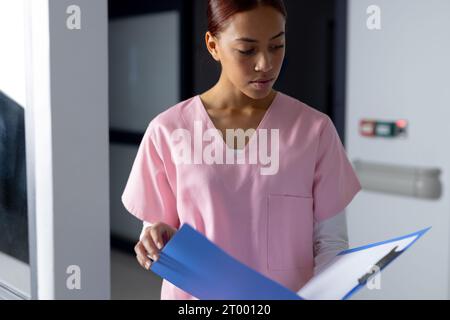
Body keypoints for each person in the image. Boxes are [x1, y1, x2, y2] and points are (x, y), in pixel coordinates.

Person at [121, 0, 361, 300]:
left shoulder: (315, 130)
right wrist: (154, 240)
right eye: (247, 50)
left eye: (277, 46)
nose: (266, 64)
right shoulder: (169, 131)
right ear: (213, 45)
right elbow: (156, 231)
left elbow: (331, 244)